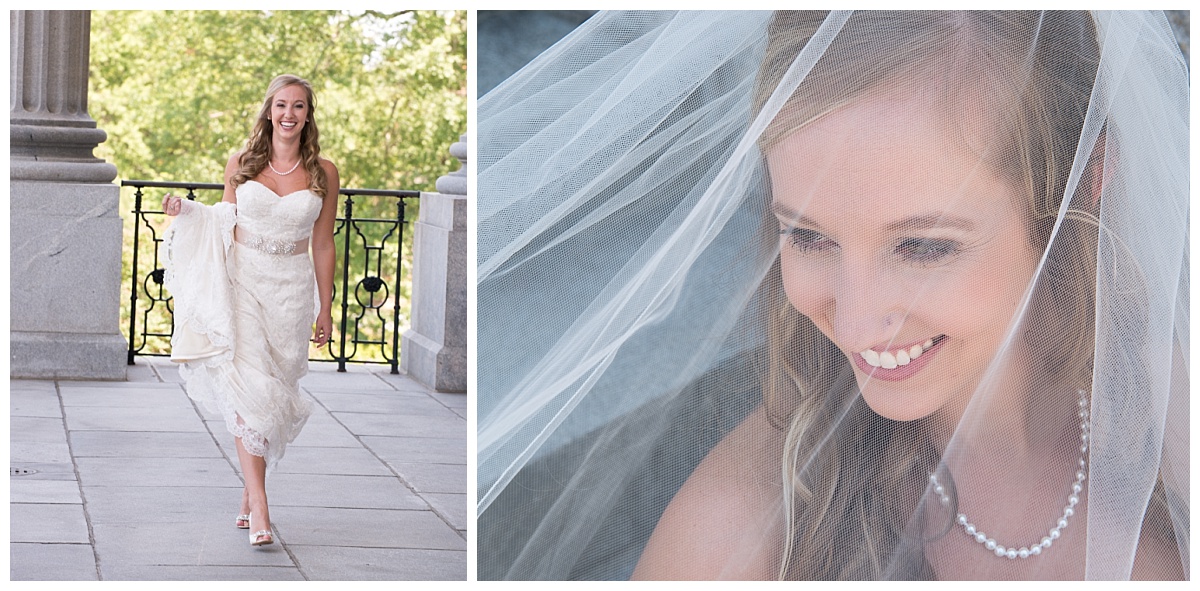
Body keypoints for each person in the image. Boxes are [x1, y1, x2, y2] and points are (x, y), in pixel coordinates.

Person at [476, 11, 1188, 580]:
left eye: (923, 246)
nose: (854, 319)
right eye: (809, 236)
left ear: (1081, 185)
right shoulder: (734, 535)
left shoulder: (1173, 428)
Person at [161, 74, 339, 547]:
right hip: (243, 283)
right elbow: (224, 220)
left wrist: (326, 306)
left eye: (298, 106)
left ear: (308, 114)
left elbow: (322, 243)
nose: (288, 114)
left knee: (273, 393)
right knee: (248, 391)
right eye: (281, 105)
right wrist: (186, 210)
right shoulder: (241, 163)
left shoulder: (324, 171)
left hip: (291, 291)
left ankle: (248, 490)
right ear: (268, 111)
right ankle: (260, 505)